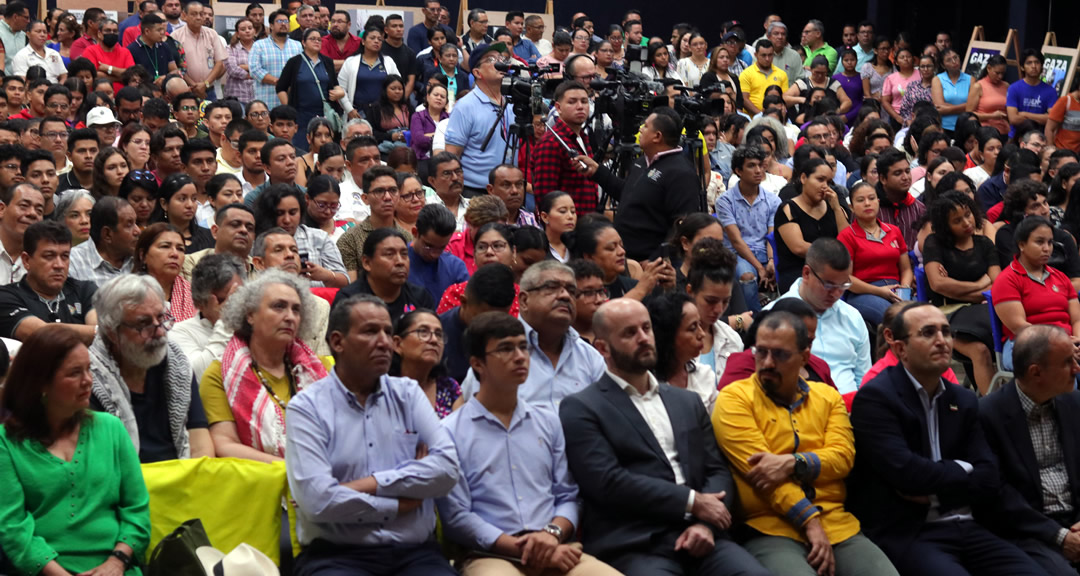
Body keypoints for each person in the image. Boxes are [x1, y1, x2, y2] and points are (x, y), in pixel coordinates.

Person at [559, 297, 771, 576]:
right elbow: (608, 482)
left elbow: (717, 469)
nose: (644, 338)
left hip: (703, 534)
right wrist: (692, 501)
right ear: (602, 348)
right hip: (636, 542)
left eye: (646, 328)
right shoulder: (582, 407)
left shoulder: (686, 402)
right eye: (629, 333)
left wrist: (705, 524)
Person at [847, 302, 1046, 576]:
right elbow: (906, 473)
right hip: (911, 531)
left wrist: (938, 485)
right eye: (928, 333)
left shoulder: (962, 399)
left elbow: (989, 475)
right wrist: (963, 470)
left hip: (969, 525)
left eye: (946, 332)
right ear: (900, 348)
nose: (942, 341)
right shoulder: (876, 398)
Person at [714, 310, 900, 576]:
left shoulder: (827, 398)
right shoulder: (734, 399)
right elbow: (764, 477)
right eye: (761, 352)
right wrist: (810, 522)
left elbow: (843, 458)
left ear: (804, 356)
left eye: (780, 354)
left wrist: (794, 462)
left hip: (836, 523)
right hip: (770, 527)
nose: (767, 362)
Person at [284, 293, 459, 574]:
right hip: (336, 556)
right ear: (338, 342)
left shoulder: (408, 394)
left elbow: (448, 470)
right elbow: (318, 502)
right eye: (370, 331)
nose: (383, 342)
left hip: (414, 554)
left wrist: (369, 484)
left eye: (388, 332)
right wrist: (401, 503)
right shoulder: (307, 408)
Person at [437, 310, 620, 576]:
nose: (520, 356)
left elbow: (567, 495)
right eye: (506, 349)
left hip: (554, 542)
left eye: (523, 347)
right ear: (477, 364)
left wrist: (552, 534)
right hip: (491, 554)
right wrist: (524, 548)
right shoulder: (449, 431)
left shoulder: (548, 421)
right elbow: (457, 518)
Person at [0, 326, 151, 575]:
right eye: (74, 373)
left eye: (89, 369)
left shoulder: (111, 428)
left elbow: (137, 508)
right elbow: (13, 527)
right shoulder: (6, 442)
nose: (88, 380)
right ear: (41, 383)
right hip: (46, 571)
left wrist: (116, 562)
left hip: (117, 567)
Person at [978, 325, 1080, 575]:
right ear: (1036, 373)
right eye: (1068, 362)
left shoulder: (1075, 403)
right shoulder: (987, 415)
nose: (1077, 369)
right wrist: (1060, 536)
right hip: (1029, 530)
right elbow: (996, 495)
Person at [199, 268, 329, 463]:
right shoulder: (219, 374)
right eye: (279, 306)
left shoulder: (320, 368)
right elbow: (224, 444)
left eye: (296, 309)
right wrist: (294, 469)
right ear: (250, 315)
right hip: (260, 483)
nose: (290, 317)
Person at [87, 274, 213, 463]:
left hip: (184, 479)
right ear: (112, 332)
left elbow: (201, 444)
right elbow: (98, 462)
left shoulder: (177, 363)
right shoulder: (87, 378)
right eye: (143, 324)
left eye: (161, 318)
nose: (160, 332)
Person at [575, 108, 700, 261]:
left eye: (646, 126)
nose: (640, 129)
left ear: (657, 136)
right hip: (624, 256)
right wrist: (598, 172)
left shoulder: (681, 173)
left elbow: (681, 226)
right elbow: (628, 194)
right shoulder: (642, 162)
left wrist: (656, 260)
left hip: (649, 261)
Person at [768, 238, 871, 395]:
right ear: (807, 273)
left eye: (843, 286)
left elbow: (864, 379)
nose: (836, 294)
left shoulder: (853, 317)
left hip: (849, 409)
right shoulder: (772, 317)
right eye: (829, 285)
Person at [922, 190, 999, 395]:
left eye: (968, 215)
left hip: (983, 309)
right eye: (957, 220)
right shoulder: (934, 243)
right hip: (947, 313)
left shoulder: (984, 244)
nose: (966, 222)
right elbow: (938, 284)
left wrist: (956, 286)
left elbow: (997, 283)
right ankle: (992, 408)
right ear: (946, 225)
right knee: (980, 351)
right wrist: (980, 286)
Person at [991, 215, 1080, 370]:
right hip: (1026, 345)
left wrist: (1077, 341)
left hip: (1068, 342)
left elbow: (1077, 320)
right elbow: (1020, 327)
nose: (1047, 248)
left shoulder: (1061, 278)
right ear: (1022, 245)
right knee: (1061, 370)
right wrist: (1061, 344)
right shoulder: (1007, 280)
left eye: (1050, 242)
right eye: (1040, 242)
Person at [0, 220, 97, 343]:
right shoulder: (6, 297)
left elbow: (103, 330)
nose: (59, 265)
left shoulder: (85, 290)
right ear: (26, 261)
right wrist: (95, 333)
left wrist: (100, 332)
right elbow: (42, 334)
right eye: (49, 256)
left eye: (65, 256)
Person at [838, 182, 915, 327]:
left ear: (878, 202)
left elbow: (906, 269)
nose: (867, 203)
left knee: (921, 316)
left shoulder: (893, 231)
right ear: (852, 207)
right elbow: (846, 279)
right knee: (895, 319)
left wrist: (904, 289)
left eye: (872, 198)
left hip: (896, 289)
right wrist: (880, 291)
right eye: (860, 200)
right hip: (863, 292)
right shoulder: (847, 236)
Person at [444, 42, 514, 197]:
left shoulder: (511, 103)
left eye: (501, 58)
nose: (499, 63)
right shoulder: (465, 106)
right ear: (476, 72)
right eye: (490, 59)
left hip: (509, 189)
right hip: (475, 191)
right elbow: (452, 154)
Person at [717, 146, 779, 312]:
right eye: (751, 166)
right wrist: (760, 268)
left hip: (766, 252)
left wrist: (772, 261)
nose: (758, 170)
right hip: (738, 254)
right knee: (747, 276)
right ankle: (753, 320)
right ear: (738, 170)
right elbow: (736, 241)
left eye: (760, 165)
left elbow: (771, 235)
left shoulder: (772, 200)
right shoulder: (725, 201)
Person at [252, 182, 348, 288]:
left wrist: (326, 276)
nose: (287, 220)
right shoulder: (258, 242)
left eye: (293, 213)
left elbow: (345, 282)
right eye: (280, 213)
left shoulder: (319, 238)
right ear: (268, 214)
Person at [774, 158, 849, 292]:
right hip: (798, 272)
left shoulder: (834, 206)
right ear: (803, 178)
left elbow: (847, 240)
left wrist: (837, 208)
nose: (825, 186)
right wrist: (835, 254)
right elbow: (799, 248)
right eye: (820, 179)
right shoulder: (788, 209)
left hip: (833, 271)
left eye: (828, 182)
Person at [334, 227, 435, 325]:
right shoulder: (348, 301)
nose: (400, 262)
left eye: (404, 254)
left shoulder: (421, 298)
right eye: (389, 254)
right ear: (367, 263)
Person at [169, 252, 246, 379]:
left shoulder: (254, 326)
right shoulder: (179, 332)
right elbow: (199, 377)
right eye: (225, 300)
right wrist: (226, 322)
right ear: (200, 303)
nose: (236, 305)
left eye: (240, 296)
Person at [995, 180, 1080, 289]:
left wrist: (1054, 291)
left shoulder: (1063, 237)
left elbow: (1077, 281)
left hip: (1062, 297)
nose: (1045, 210)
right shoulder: (1006, 235)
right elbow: (1017, 278)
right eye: (1035, 206)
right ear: (1020, 213)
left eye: (1045, 203)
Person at [337, 164, 416, 280]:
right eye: (379, 191)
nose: (388, 197)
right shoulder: (349, 240)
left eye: (393, 190)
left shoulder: (408, 238)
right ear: (365, 199)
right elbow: (351, 289)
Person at [646, 291, 718, 411]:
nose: (702, 334)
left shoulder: (704, 375)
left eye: (700, 325)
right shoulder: (646, 385)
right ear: (668, 335)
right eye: (693, 328)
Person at [277, 28, 344, 153]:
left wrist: (341, 92)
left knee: (326, 150)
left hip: (324, 113)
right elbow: (281, 87)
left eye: (319, 39)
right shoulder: (294, 62)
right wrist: (288, 109)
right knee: (302, 149)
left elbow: (335, 84)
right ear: (303, 42)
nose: (317, 41)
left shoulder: (327, 62)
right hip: (301, 114)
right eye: (312, 39)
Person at [69, 197, 140, 287]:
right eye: (129, 225)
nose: (137, 231)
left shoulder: (141, 259)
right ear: (107, 234)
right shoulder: (73, 262)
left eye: (136, 223)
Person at [133, 222, 196, 323]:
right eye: (165, 246)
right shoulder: (128, 294)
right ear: (143, 256)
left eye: (180, 249)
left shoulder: (194, 295)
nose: (175, 254)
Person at [408, 203, 468, 304]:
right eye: (428, 246)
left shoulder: (455, 267)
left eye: (442, 248)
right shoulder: (397, 262)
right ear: (415, 233)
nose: (434, 254)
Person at [338, 25, 400, 121]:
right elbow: (340, 89)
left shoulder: (388, 62)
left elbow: (398, 85)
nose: (376, 41)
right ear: (363, 41)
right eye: (372, 38)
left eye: (379, 39)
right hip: (358, 113)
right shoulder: (351, 62)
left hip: (384, 114)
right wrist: (349, 109)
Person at [169, 1, 226, 101]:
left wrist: (205, 84)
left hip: (209, 90)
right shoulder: (175, 36)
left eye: (201, 14)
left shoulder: (212, 34)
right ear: (184, 15)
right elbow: (176, 66)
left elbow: (219, 63)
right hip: (186, 90)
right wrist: (194, 86)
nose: (199, 17)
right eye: (194, 14)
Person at [249, 9, 302, 108]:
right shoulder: (259, 45)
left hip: (291, 101)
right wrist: (281, 83)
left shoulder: (297, 45)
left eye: (286, 21)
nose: (283, 24)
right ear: (271, 26)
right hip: (267, 101)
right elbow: (255, 70)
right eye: (279, 21)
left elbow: (302, 69)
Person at [0, 182, 44, 286]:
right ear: (1, 209)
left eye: (39, 210)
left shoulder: (42, 260)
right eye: (24, 206)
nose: (32, 214)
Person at [1008, 49, 1058, 138]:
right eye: (1029, 63)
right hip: (1016, 137)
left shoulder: (1050, 91)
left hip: (1040, 138)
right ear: (1022, 67)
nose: (1033, 66)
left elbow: (1052, 119)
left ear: (1042, 66)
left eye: (1037, 62)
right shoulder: (1014, 88)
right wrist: (1042, 117)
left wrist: (1025, 114)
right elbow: (1013, 119)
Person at [739, 39, 789, 115]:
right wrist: (761, 115)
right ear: (755, 55)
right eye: (763, 55)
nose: (767, 59)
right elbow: (744, 99)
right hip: (752, 120)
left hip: (777, 118)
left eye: (770, 55)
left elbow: (784, 98)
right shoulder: (746, 74)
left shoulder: (782, 74)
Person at [968, 54, 1010, 137]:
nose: (1000, 76)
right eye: (997, 73)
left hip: (1004, 132)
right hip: (985, 133)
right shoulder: (978, 86)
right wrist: (992, 116)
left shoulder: (1006, 86)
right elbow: (969, 115)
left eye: (1002, 73)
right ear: (989, 68)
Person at [487, 164, 537, 228]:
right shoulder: (481, 220)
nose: (515, 191)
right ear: (491, 190)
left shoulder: (531, 220)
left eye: (519, 184)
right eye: (506, 185)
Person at [880, 47, 918, 127]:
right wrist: (897, 117)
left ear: (913, 59)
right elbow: (885, 101)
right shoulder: (891, 78)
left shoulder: (921, 74)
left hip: (918, 116)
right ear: (896, 62)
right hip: (898, 116)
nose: (905, 59)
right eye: (902, 57)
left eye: (908, 56)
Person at [410, 83, 448, 160]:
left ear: (446, 102)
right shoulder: (418, 116)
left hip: (446, 158)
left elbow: (455, 139)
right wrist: (441, 136)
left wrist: (429, 135)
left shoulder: (450, 118)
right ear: (428, 97)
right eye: (436, 95)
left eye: (442, 97)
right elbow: (419, 140)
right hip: (422, 158)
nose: (439, 98)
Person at [223, 17, 257, 101]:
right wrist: (256, 75)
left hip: (257, 97)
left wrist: (242, 66)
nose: (247, 31)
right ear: (237, 34)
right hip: (236, 96)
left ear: (255, 31)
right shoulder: (230, 49)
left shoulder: (261, 49)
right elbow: (233, 70)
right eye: (243, 29)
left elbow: (266, 67)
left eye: (250, 28)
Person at [321, 10, 360, 74]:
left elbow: (362, 65)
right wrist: (352, 63)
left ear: (349, 25)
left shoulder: (358, 42)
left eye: (339, 21)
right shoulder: (323, 41)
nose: (335, 25)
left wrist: (335, 64)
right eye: (333, 21)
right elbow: (324, 65)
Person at [861, 36, 895, 101]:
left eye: (888, 48)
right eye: (883, 49)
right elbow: (866, 94)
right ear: (875, 51)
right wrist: (874, 99)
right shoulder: (867, 67)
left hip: (889, 105)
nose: (886, 51)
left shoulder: (893, 69)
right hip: (873, 105)